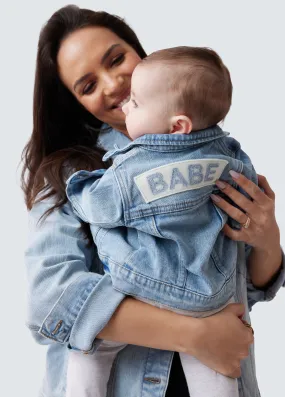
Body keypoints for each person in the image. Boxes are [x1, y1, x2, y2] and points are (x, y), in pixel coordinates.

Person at [22, 5, 284, 397]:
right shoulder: (70, 174)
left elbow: (246, 285)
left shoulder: (212, 153)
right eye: (88, 86)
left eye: (116, 59)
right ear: (75, 103)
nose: (113, 84)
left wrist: (267, 239)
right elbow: (50, 299)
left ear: (139, 51)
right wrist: (195, 333)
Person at [64, 46, 257, 397]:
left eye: (135, 103)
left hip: (142, 286)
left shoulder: (137, 168)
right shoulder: (230, 155)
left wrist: (78, 187)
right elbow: (248, 201)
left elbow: (100, 205)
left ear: (177, 126)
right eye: (88, 85)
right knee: (218, 374)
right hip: (209, 297)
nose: (125, 104)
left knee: (88, 347)